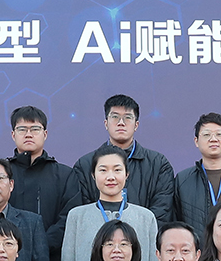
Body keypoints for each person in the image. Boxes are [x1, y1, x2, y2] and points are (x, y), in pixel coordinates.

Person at [73, 93, 177, 221]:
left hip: (143, 233)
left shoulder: (158, 164)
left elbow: (162, 212)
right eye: (115, 117)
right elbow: (82, 214)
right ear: (106, 124)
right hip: (98, 233)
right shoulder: (85, 165)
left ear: (136, 125)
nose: (121, 123)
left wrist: (136, 231)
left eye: (127, 117)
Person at [61, 145, 160, 261]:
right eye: (103, 170)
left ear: (127, 174)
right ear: (93, 175)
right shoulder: (77, 216)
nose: (111, 177)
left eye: (117, 170)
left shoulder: (146, 217)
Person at [6, 104, 80, 253]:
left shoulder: (64, 175)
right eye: (22, 129)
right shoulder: (1, 174)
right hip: (6, 256)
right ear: (13, 135)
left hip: (51, 258)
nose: (28, 134)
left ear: (45, 134)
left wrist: (41, 244)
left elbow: (70, 218)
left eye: (35, 129)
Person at [177, 112, 221, 238]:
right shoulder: (182, 180)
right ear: (196, 141)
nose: (213, 139)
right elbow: (175, 223)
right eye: (206, 135)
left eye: (219, 134)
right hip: (197, 249)